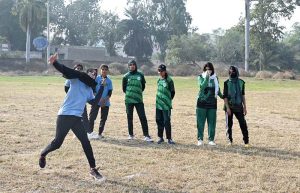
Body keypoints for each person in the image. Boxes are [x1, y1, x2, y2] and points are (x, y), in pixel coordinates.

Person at [39, 54, 105, 181]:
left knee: (86, 142)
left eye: (94, 74)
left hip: (76, 118)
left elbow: (94, 103)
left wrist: (101, 88)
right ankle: (43, 154)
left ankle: (93, 169)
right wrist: (55, 63)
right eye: (91, 72)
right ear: (87, 74)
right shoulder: (76, 80)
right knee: (57, 143)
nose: (93, 74)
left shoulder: (89, 90)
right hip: (65, 115)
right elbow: (66, 71)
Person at [122, 59, 153, 142]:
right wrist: (130, 94)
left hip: (139, 100)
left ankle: (146, 135)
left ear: (136, 66)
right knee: (129, 117)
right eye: (130, 65)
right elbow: (124, 89)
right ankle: (130, 135)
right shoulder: (125, 76)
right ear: (128, 66)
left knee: (142, 117)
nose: (132, 66)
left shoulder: (140, 75)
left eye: (133, 64)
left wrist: (137, 93)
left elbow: (143, 86)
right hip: (129, 100)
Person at [196, 62, 223, 146]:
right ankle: (200, 139)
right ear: (204, 70)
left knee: (212, 122)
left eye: (210, 69)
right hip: (201, 102)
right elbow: (202, 86)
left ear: (212, 70)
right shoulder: (200, 77)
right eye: (206, 69)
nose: (208, 71)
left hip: (212, 103)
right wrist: (207, 78)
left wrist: (224, 97)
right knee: (200, 122)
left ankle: (211, 139)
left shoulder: (215, 78)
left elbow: (217, 90)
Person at [223, 66, 249, 147]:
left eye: (234, 72)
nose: (232, 73)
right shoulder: (226, 83)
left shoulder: (241, 82)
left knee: (243, 124)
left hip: (239, 107)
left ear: (237, 72)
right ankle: (229, 141)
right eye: (230, 72)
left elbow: (243, 95)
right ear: (229, 73)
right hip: (229, 107)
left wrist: (245, 107)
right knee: (229, 125)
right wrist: (227, 108)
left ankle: (246, 142)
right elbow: (225, 97)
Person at [64, 64, 92, 133]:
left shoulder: (83, 77)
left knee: (84, 116)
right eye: (77, 68)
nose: (79, 69)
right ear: (74, 69)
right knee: (73, 116)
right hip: (73, 101)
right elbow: (66, 88)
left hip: (81, 100)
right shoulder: (70, 77)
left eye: (80, 68)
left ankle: (88, 132)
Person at [88, 64, 113, 140]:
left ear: (107, 71)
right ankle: (90, 132)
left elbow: (110, 92)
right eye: (103, 69)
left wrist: (105, 99)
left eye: (106, 69)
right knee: (92, 117)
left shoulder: (109, 80)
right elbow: (93, 90)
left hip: (105, 102)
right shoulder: (97, 78)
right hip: (96, 101)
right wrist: (99, 99)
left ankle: (100, 133)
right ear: (100, 70)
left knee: (103, 118)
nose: (104, 71)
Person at [155, 64, 176, 144]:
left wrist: (168, 101)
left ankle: (169, 139)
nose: (160, 72)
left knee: (166, 121)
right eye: (159, 71)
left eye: (161, 71)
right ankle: (160, 137)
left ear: (165, 71)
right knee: (159, 120)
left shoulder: (169, 80)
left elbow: (173, 92)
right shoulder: (159, 80)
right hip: (158, 105)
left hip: (166, 106)